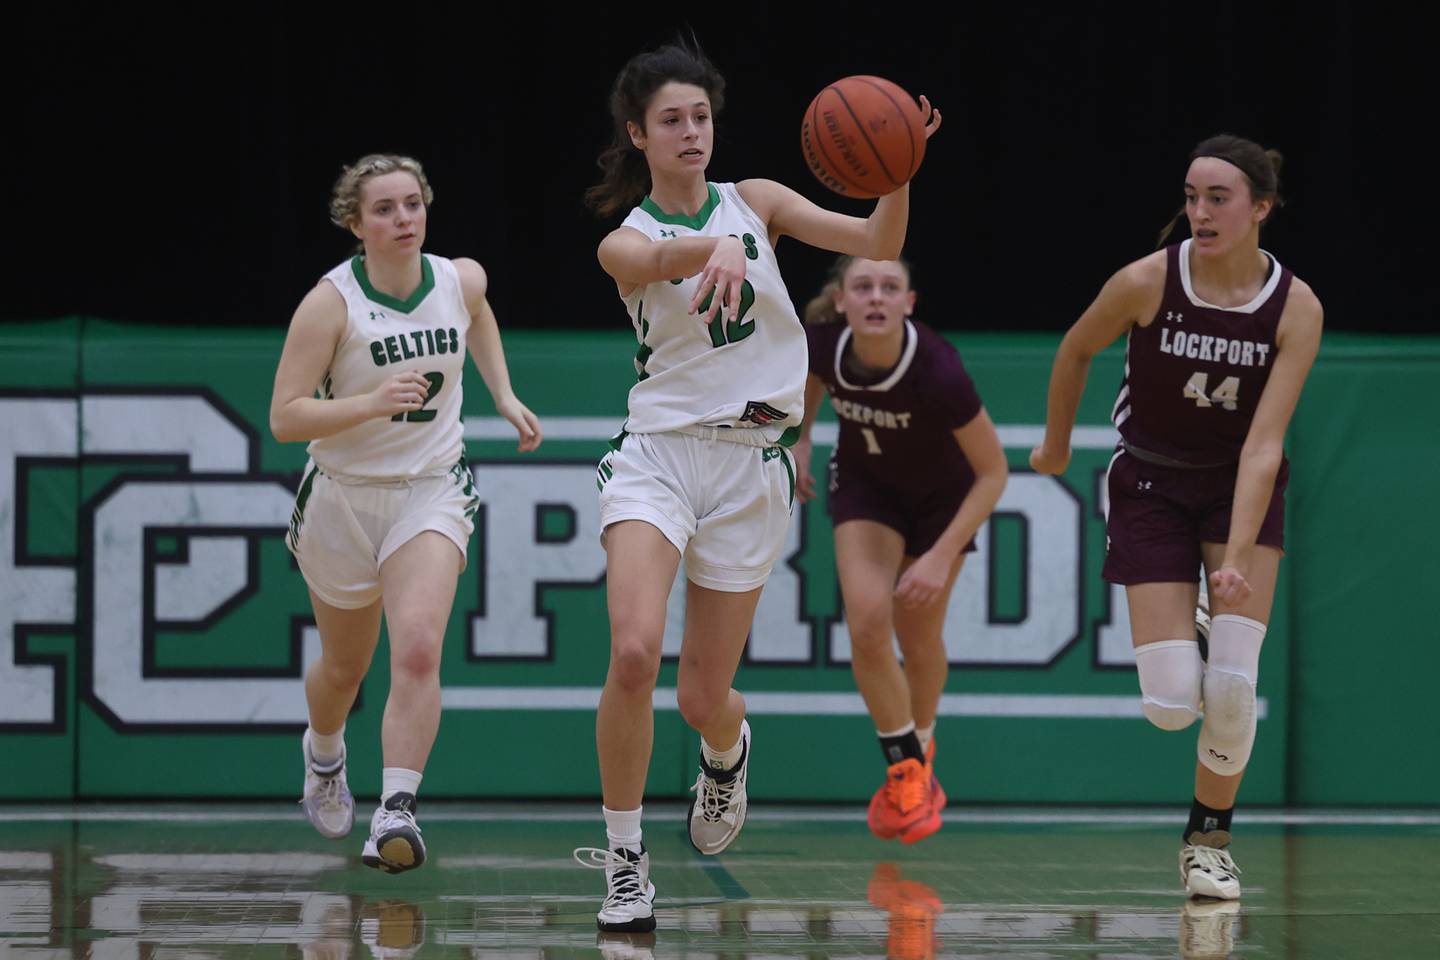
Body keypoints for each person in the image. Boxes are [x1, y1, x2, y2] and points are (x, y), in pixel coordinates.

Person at [569, 39, 940, 933]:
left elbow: (873, 241)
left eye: (700, 115)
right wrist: (711, 251)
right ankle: (625, 862)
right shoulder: (628, 237)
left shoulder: (759, 202)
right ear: (639, 134)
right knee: (631, 652)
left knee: (703, 697)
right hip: (659, 453)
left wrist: (899, 170)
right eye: (671, 120)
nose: (690, 131)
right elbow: (647, 261)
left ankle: (725, 751)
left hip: (752, 466)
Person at [1030, 134, 1323, 899]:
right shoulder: (1145, 282)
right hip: (1151, 487)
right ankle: (1192, 623)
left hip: (1238, 491)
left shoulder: (1296, 307)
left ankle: (1207, 842)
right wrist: (1056, 446)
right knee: (1169, 706)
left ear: (1260, 208)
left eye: (1217, 197)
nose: (1199, 211)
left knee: (1229, 689)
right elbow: (1073, 349)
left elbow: (1265, 445)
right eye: (1191, 196)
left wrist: (1234, 555)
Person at [270, 153, 542, 873]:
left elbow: (477, 317)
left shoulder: (461, 278)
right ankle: (325, 753)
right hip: (343, 496)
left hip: (430, 487)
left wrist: (503, 394)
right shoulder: (330, 304)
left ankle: (396, 809)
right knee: (344, 668)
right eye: (385, 209)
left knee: (418, 647)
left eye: (412, 204)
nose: (403, 219)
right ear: (355, 224)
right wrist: (368, 401)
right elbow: (285, 417)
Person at [794, 255, 1007, 843]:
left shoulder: (939, 368)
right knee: (866, 623)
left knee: (918, 635)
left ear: (909, 304)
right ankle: (906, 766)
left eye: (891, 287)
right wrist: (804, 436)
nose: (876, 297)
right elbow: (811, 380)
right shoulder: (824, 344)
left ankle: (924, 738)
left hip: (944, 502)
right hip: (869, 491)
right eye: (863, 287)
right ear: (842, 300)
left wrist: (941, 556)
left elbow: (994, 473)